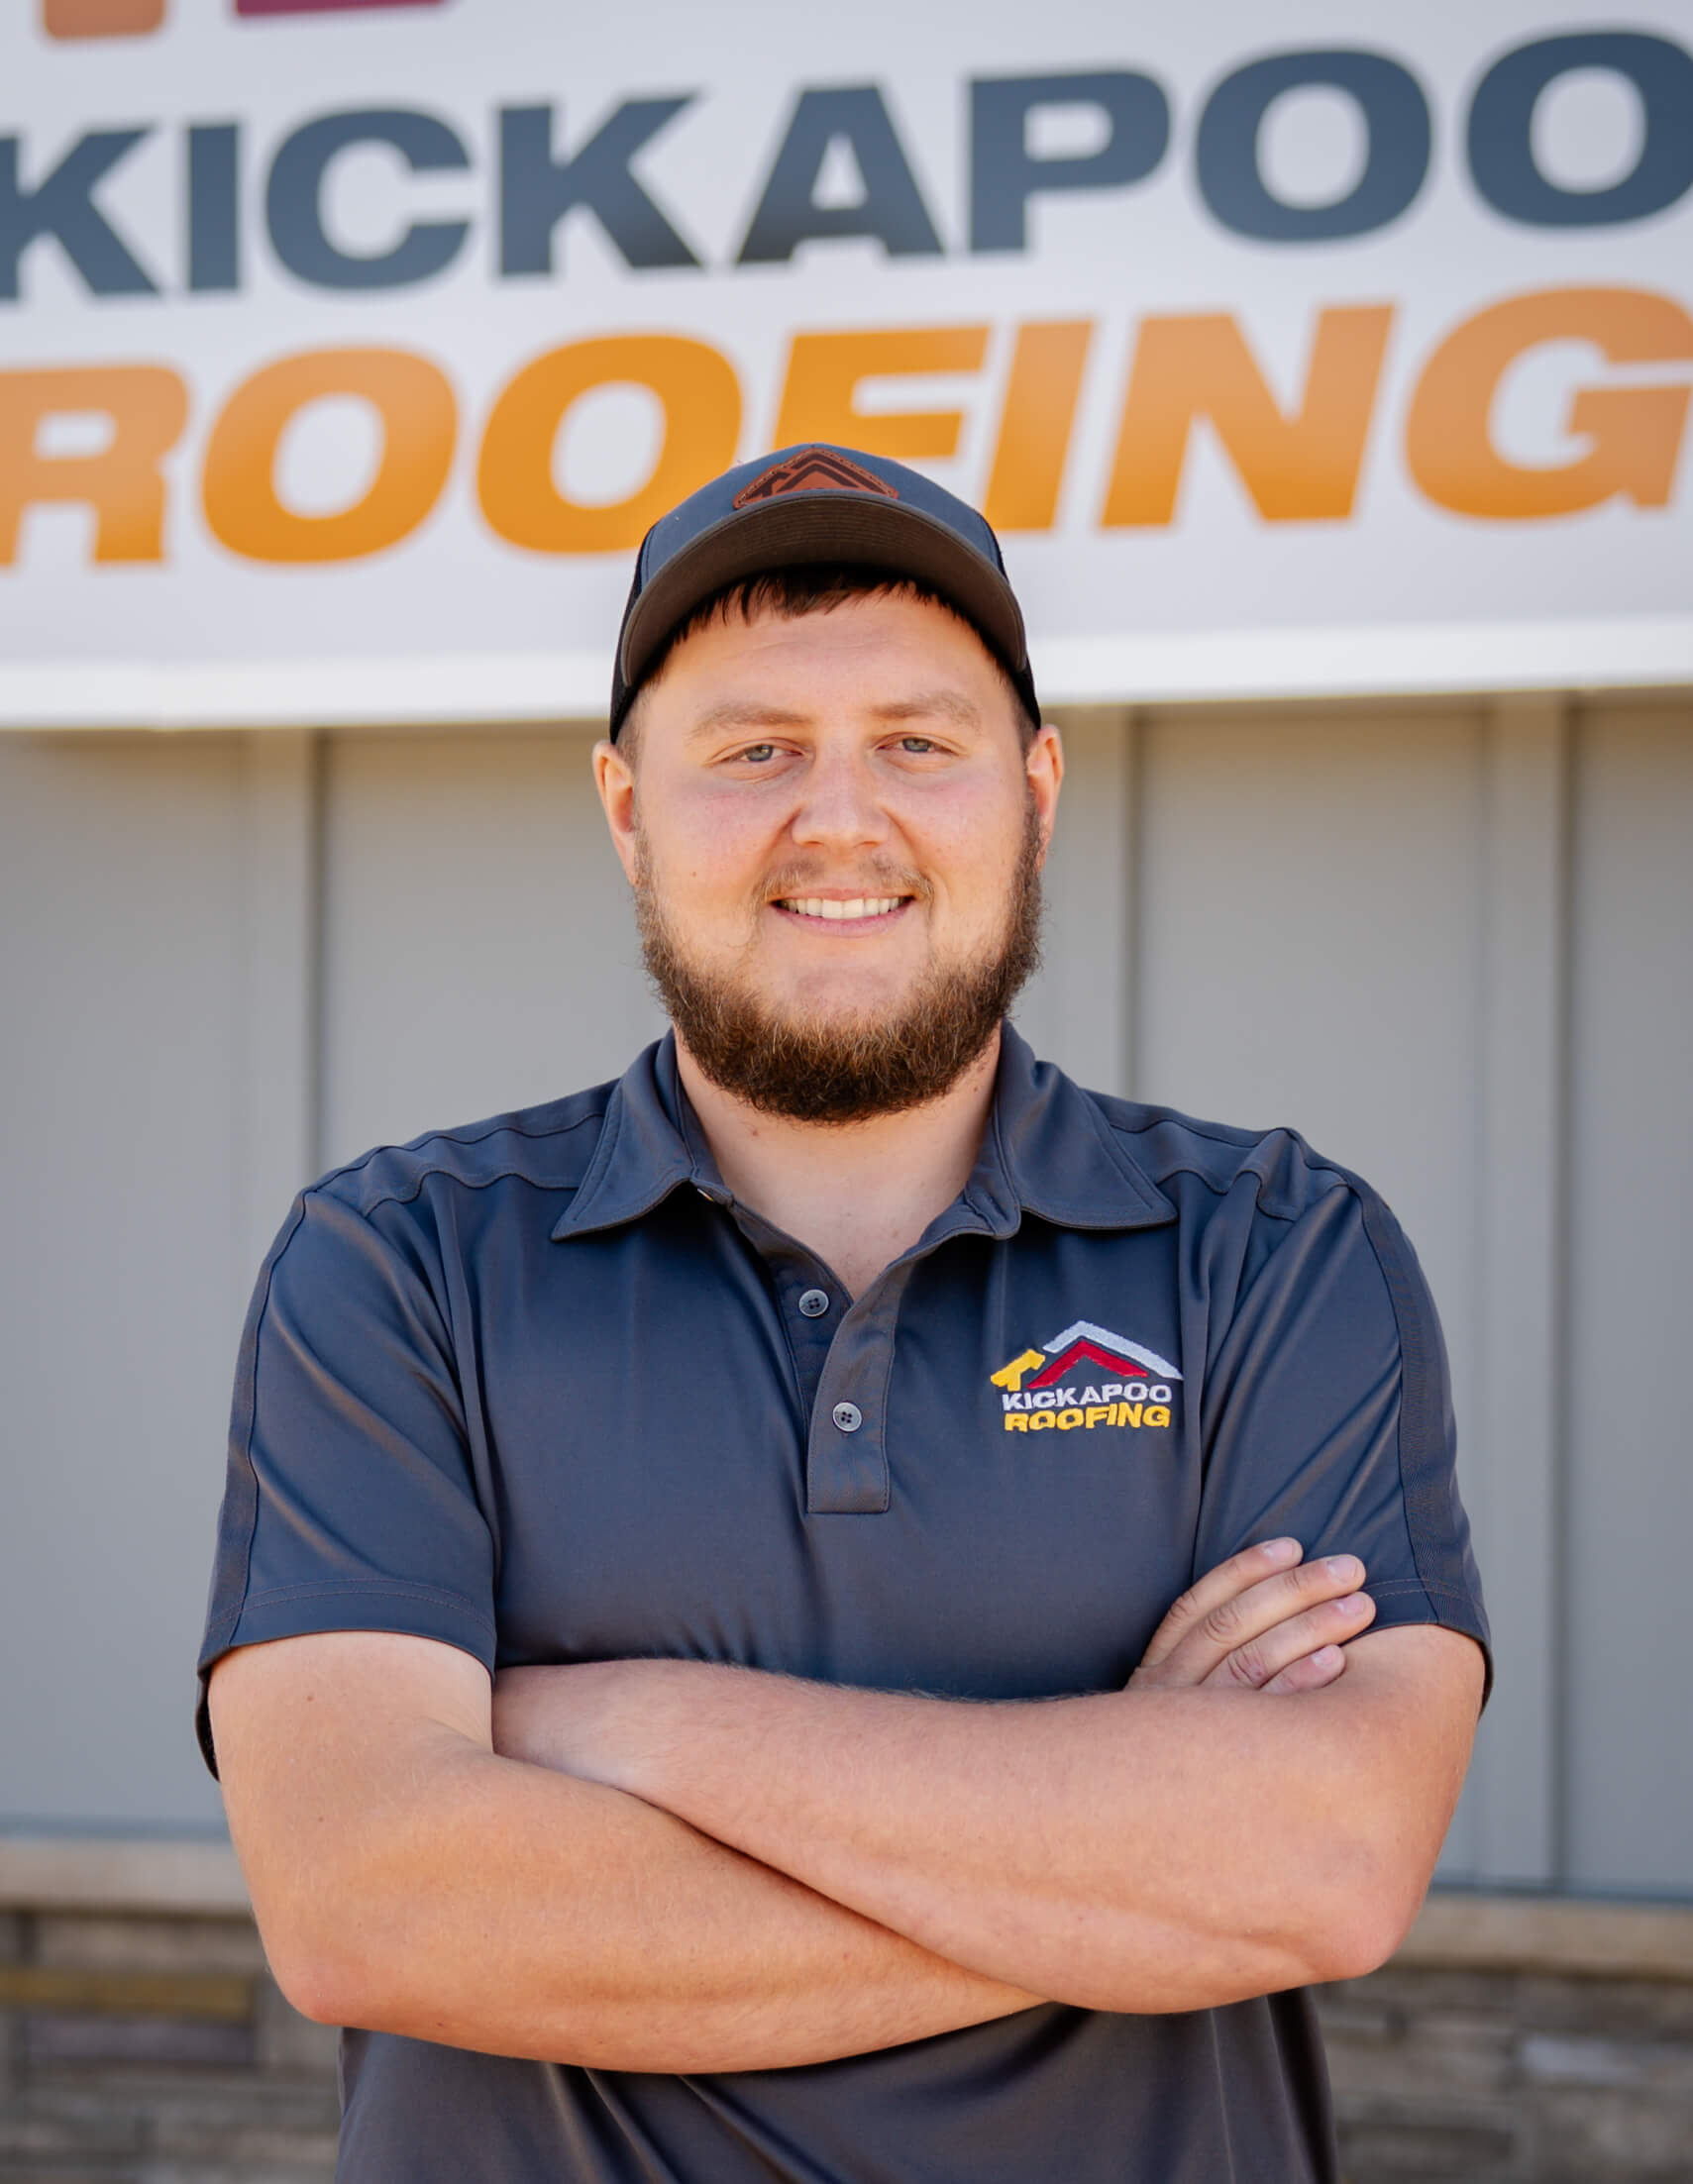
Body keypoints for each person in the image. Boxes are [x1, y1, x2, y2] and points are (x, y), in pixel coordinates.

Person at [199, 443, 1489, 2184]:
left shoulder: (1272, 1253)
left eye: (916, 741)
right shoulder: (396, 1268)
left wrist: (612, 1721)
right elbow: (375, 1905)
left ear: (1033, 788)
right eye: (753, 751)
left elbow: (1323, 1868)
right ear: (626, 806)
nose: (839, 816)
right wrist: (1130, 1864)